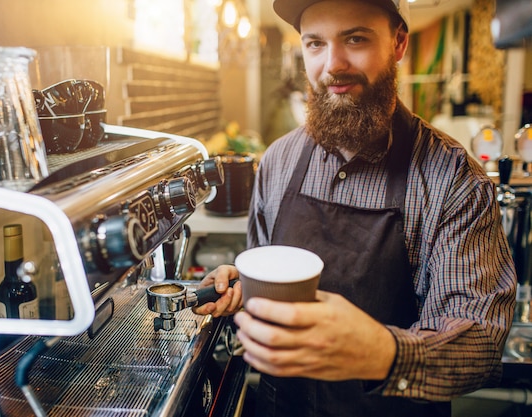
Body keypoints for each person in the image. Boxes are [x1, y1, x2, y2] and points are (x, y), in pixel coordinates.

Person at [192, 0, 517, 416]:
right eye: (315, 44)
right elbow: (268, 295)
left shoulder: (452, 179)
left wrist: (384, 354)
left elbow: (480, 345)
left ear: (398, 42)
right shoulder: (277, 162)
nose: (333, 65)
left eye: (356, 39)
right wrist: (247, 288)